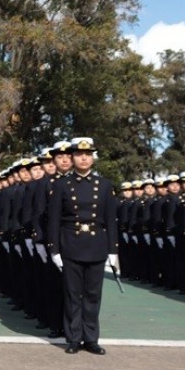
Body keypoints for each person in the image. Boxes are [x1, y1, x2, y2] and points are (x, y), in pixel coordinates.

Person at [48, 137, 117, 355]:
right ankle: (73, 338)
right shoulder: (61, 185)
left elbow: (111, 219)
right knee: (72, 294)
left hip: (96, 244)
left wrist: (113, 251)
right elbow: (54, 220)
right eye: (79, 155)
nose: (84, 158)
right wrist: (54, 249)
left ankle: (91, 339)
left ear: (93, 158)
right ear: (73, 157)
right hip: (71, 244)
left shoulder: (104, 185)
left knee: (93, 295)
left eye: (88, 155)